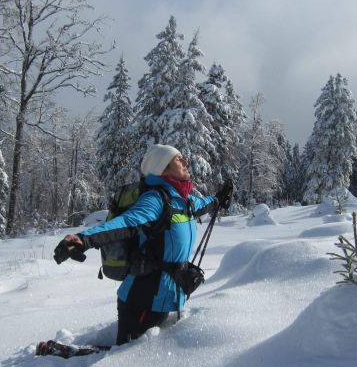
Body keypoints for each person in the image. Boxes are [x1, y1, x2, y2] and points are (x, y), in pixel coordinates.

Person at [62, 144, 232, 345]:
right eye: (178, 159)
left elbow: (204, 204)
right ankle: (65, 355)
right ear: (162, 168)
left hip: (164, 296)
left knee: (137, 355)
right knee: (122, 361)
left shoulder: (183, 201)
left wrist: (219, 199)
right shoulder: (155, 199)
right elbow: (126, 222)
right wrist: (84, 239)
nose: (186, 162)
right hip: (142, 300)